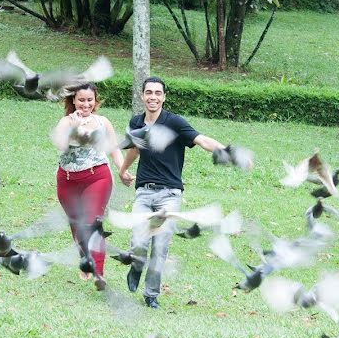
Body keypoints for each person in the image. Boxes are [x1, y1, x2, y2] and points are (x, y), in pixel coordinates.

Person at [118, 76, 226, 309]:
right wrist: (123, 169)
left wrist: (227, 151)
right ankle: (136, 266)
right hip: (144, 193)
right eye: (149, 92)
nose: (153, 97)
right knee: (139, 240)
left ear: (164, 97)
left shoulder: (174, 122)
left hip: (170, 195)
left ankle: (151, 295)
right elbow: (136, 149)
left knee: (160, 245)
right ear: (142, 96)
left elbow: (202, 140)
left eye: (158, 93)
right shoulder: (137, 122)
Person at [51, 83, 130, 291]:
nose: (86, 104)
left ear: (95, 101)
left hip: (97, 177)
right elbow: (60, 145)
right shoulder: (65, 122)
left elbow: (113, 149)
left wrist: (122, 169)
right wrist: (75, 129)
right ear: (74, 100)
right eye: (81, 100)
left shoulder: (103, 122)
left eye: (90, 100)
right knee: (77, 224)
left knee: (92, 222)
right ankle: (85, 258)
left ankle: (99, 273)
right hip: (67, 181)